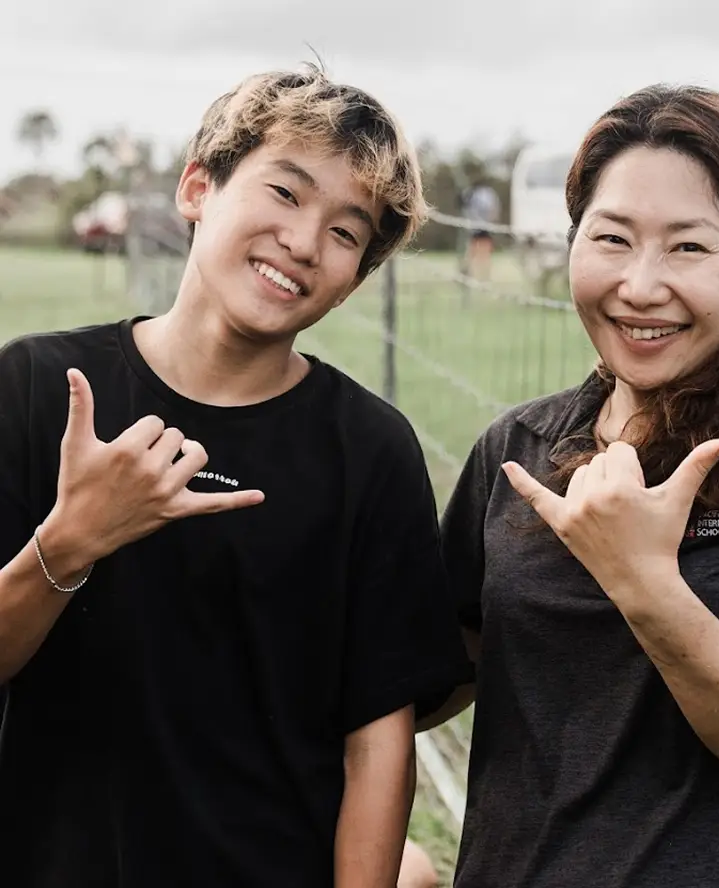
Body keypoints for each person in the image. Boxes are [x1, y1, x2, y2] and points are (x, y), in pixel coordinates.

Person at [0, 65, 472, 887]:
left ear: (354, 279)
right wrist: (70, 542)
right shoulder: (39, 390)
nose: (303, 241)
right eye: (285, 193)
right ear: (197, 187)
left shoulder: (371, 452)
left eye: (345, 233)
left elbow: (378, 738)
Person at [423, 84, 719, 887]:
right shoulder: (519, 448)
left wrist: (643, 581)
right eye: (612, 239)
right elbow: (429, 675)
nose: (640, 286)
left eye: (688, 248)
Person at [459, 177, 501, 281]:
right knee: (477, 251)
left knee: (479, 251)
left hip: (480, 226)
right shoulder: (484, 193)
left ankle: (480, 274)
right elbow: (494, 210)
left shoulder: (475, 193)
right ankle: (475, 273)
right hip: (479, 226)